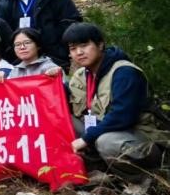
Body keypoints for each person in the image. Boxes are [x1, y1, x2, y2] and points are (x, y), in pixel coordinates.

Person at [64, 23, 168, 170]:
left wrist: (87, 138)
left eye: (84, 45)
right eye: (73, 48)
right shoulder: (82, 74)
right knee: (63, 119)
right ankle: (98, 169)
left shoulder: (124, 72)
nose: (79, 52)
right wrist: (52, 82)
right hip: (103, 132)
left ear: (100, 45)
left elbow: (122, 117)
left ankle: (143, 179)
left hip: (140, 138)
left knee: (107, 142)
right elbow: (64, 101)